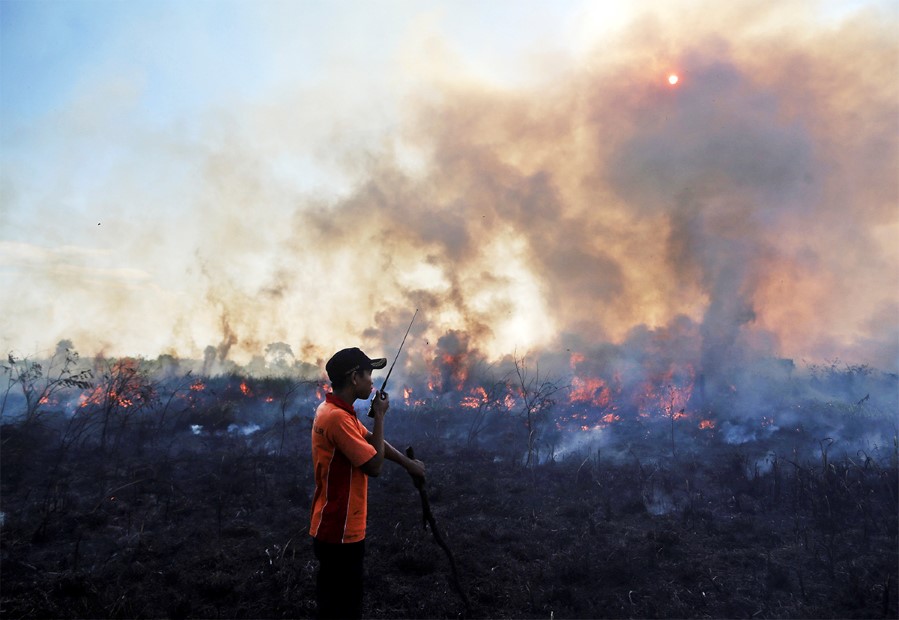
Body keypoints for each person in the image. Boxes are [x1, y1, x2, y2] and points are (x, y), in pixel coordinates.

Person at [309, 346, 425, 619]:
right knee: (344, 609)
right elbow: (374, 465)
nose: (372, 381)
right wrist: (381, 414)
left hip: (331, 525)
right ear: (353, 378)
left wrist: (410, 466)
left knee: (333, 604)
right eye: (368, 374)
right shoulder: (338, 419)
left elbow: (372, 439)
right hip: (340, 529)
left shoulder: (334, 410)